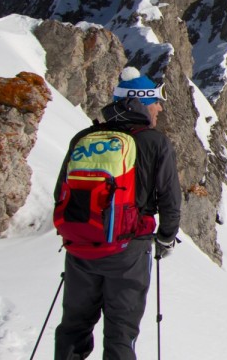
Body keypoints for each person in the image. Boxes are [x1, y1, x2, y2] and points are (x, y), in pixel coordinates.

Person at [53, 67, 181, 360]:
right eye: (155, 100)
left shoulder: (84, 137)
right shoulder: (154, 141)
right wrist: (165, 239)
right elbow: (170, 201)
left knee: (74, 326)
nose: (160, 107)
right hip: (128, 250)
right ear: (139, 101)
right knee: (121, 332)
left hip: (81, 249)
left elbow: (60, 191)